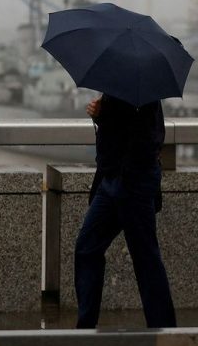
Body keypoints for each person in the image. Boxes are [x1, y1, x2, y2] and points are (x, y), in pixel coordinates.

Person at [75, 94, 176, 329]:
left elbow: (145, 137)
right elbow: (118, 131)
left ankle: (166, 331)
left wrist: (103, 116)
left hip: (133, 182)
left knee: (145, 258)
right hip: (110, 180)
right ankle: (85, 327)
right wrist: (100, 116)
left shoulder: (142, 93)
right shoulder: (120, 86)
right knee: (87, 247)